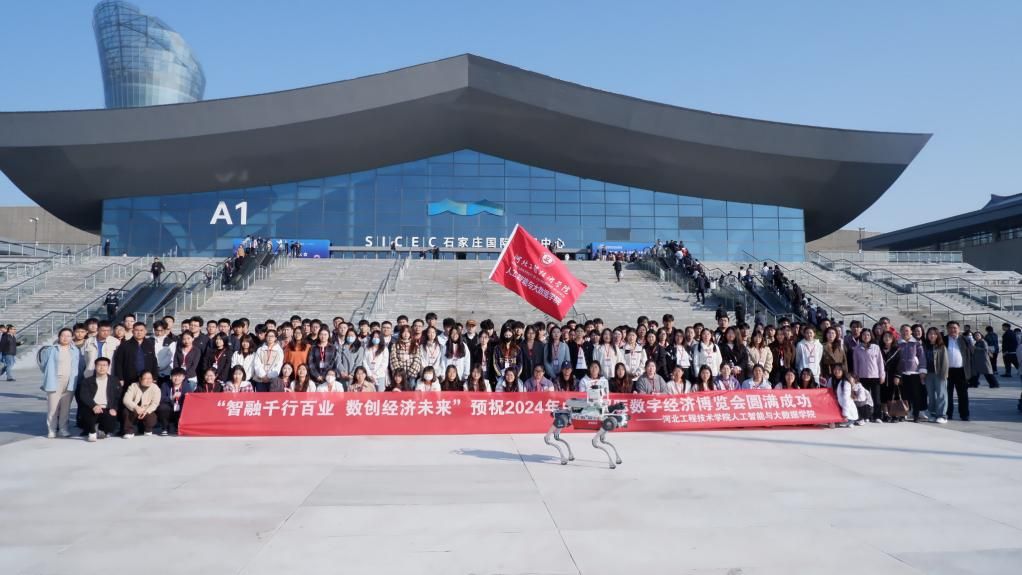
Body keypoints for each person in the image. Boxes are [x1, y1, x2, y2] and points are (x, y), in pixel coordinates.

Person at [39, 328, 82, 438]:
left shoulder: (75, 350)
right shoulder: (51, 350)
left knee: (65, 408)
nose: (65, 338)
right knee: (53, 408)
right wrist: (50, 375)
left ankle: (63, 429)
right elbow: (43, 365)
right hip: (55, 381)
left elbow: (78, 366)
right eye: (63, 335)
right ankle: (52, 429)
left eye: (68, 336)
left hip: (70, 381)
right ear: (59, 337)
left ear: (72, 337)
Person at [75, 356, 121, 442]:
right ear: (95, 366)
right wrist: (94, 405)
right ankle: (92, 431)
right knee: (88, 413)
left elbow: (117, 397)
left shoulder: (114, 380)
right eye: (99, 365)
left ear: (108, 367)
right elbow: (84, 396)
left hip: (107, 408)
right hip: (92, 407)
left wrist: (114, 408)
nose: (102, 367)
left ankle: (101, 428)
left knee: (111, 423)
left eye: (104, 365)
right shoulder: (87, 381)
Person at [851, 329, 885, 423]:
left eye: (868, 335)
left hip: (875, 376)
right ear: (861, 336)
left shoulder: (876, 347)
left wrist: (882, 375)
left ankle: (877, 416)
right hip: (862, 376)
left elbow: (880, 362)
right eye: (864, 335)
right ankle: (866, 416)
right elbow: (855, 363)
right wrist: (856, 376)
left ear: (871, 336)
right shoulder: (857, 348)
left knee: (876, 398)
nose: (866, 337)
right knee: (863, 398)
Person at [115, 323, 158, 388]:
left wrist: (154, 377)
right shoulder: (125, 345)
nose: (139, 332)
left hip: (146, 379)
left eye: (141, 330)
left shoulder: (150, 345)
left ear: (145, 331)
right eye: (137, 330)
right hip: (129, 379)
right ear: (132, 331)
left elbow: (154, 362)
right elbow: (118, 363)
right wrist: (120, 378)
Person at [945, 321, 972, 421]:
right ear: (947, 329)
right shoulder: (943, 339)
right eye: (950, 328)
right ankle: (948, 413)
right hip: (947, 371)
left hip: (961, 371)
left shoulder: (964, 339)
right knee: (947, 394)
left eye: (955, 328)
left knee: (963, 394)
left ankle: (964, 414)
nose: (952, 330)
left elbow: (971, 354)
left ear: (959, 329)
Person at [121, 370, 161, 437]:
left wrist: (146, 411)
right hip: (134, 410)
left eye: (150, 378)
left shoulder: (155, 388)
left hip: (146, 409)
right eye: (146, 378)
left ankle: (147, 429)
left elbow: (155, 403)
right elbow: (126, 399)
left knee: (152, 418)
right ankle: (129, 431)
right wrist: (136, 407)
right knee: (126, 411)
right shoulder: (133, 386)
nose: (148, 380)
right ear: (140, 379)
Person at [922, 327, 949, 423]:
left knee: (941, 394)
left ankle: (942, 415)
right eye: (930, 333)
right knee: (931, 395)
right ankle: (932, 414)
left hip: (939, 374)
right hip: (928, 374)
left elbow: (945, 362)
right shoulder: (925, 346)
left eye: (934, 333)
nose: (932, 335)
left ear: (937, 335)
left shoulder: (941, 347)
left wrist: (944, 374)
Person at [156, 368, 188, 435]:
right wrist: (172, 397)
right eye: (174, 376)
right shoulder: (165, 385)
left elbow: (189, 400)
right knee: (162, 407)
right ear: (171, 377)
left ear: (183, 377)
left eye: (179, 376)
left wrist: (184, 396)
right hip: (170, 409)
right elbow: (161, 399)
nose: (177, 378)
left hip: (180, 410)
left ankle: (179, 426)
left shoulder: (186, 386)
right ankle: (165, 428)